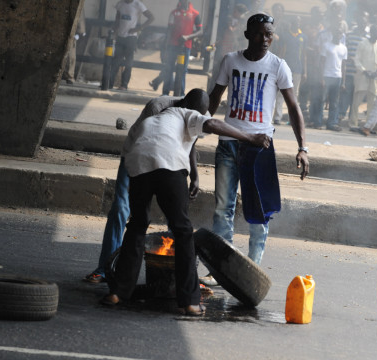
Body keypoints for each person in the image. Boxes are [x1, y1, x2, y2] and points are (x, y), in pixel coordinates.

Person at [101, 89, 271, 315]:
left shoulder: (158, 117)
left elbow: (172, 143)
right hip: (168, 165)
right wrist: (251, 137)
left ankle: (118, 293)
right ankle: (190, 301)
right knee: (182, 231)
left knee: (137, 225)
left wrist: (194, 174)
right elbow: (213, 125)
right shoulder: (187, 113)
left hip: (138, 163)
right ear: (194, 109)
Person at [205, 13, 310, 285]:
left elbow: (293, 107)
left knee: (258, 211)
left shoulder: (278, 66)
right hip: (229, 143)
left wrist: (303, 147)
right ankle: (221, 267)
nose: (265, 39)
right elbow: (215, 96)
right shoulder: (230, 60)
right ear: (248, 35)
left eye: (269, 34)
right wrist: (197, 126)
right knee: (222, 209)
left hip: (260, 148)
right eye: (260, 33)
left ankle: (251, 269)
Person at [83, 93, 202, 284]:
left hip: (170, 161)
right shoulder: (158, 107)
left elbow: (191, 143)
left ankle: (181, 278)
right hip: (136, 155)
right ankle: (105, 269)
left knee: (178, 218)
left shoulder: (196, 113)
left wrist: (195, 176)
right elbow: (146, 143)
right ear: (183, 106)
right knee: (121, 209)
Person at [160, 0, 203, 96]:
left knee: (183, 70)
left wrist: (187, 37)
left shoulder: (195, 14)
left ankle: (181, 94)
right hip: (172, 46)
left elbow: (200, 32)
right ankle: (165, 93)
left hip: (185, 47)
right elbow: (169, 30)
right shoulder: (174, 13)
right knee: (169, 68)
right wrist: (166, 47)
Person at [110, 0, 155, 90]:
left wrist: (139, 28)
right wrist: (114, 30)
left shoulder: (138, 4)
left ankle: (124, 85)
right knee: (115, 62)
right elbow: (117, 18)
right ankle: (109, 83)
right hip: (120, 36)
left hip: (131, 38)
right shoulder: (120, 4)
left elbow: (151, 17)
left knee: (128, 63)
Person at [350, 24, 377, 131]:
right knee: (357, 101)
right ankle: (353, 124)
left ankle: (369, 126)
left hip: (374, 77)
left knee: (372, 103)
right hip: (362, 76)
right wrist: (365, 71)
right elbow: (356, 59)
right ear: (371, 32)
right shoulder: (362, 43)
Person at [312, 23, 348, 131]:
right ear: (333, 33)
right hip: (327, 76)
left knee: (334, 102)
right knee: (321, 100)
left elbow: (344, 66)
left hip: (337, 77)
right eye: (336, 32)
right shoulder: (326, 45)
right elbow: (321, 63)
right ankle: (318, 122)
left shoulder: (344, 48)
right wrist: (321, 78)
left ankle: (332, 123)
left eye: (340, 32)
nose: (338, 34)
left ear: (342, 35)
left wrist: (343, 82)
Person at [337, 10, 369, 126]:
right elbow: (344, 51)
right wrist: (350, 58)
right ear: (357, 22)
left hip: (361, 74)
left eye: (364, 22)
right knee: (346, 96)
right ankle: (339, 119)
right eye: (360, 21)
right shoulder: (349, 35)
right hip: (350, 72)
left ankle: (352, 121)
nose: (362, 24)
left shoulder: (368, 37)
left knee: (356, 100)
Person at [273, 16, 306, 126]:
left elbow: (304, 55)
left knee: (294, 94)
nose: (298, 23)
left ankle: (293, 118)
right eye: (296, 21)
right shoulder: (285, 35)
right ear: (292, 23)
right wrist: (278, 66)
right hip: (285, 67)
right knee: (281, 92)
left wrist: (304, 71)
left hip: (297, 68)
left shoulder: (303, 36)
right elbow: (281, 51)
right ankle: (277, 117)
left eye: (299, 21)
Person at [62, 7, 86, 85]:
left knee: (70, 56)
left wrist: (80, 32)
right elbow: (80, 19)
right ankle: (69, 76)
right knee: (70, 56)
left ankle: (69, 76)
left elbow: (80, 18)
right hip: (69, 30)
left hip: (70, 31)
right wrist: (81, 31)